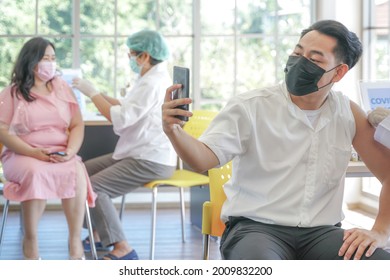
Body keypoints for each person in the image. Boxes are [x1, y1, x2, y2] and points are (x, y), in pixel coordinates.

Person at [162, 20, 390, 260]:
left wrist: (381, 231)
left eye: (314, 59)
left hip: (321, 233)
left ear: (339, 71)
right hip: (257, 229)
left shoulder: (348, 113)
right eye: (297, 52)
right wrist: (173, 130)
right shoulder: (251, 106)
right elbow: (202, 160)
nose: (300, 62)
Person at [72, 30, 176, 260]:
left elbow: (120, 117)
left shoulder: (154, 82)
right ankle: (98, 233)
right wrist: (96, 94)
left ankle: (123, 248)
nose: (130, 59)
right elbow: (125, 105)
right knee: (82, 172)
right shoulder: (148, 78)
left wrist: (93, 93)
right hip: (138, 152)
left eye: (132, 54)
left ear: (145, 56)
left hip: (150, 158)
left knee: (96, 188)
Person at [0, 37, 96, 260]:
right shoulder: (12, 93)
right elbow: (3, 131)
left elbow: (76, 124)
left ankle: (75, 245)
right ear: (31, 61)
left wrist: (70, 151)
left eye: (53, 58)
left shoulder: (61, 87)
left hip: (59, 152)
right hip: (22, 153)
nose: (51, 64)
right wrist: (33, 152)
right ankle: (30, 242)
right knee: (36, 173)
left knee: (77, 171)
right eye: (45, 58)